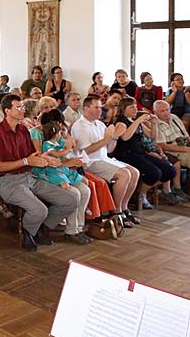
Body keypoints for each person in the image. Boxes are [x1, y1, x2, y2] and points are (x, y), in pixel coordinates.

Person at [0, 94, 78, 250]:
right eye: (18, 107)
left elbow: (32, 155)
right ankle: (28, 232)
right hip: (8, 181)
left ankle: (40, 228)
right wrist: (26, 161)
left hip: (28, 176)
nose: (23, 110)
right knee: (40, 209)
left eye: (22, 106)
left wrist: (48, 160)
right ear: (7, 111)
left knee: (70, 200)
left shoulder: (22, 130)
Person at [71, 96, 142, 225]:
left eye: (100, 107)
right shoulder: (79, 125)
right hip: (90, 162)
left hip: (104, 158)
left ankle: (124, 208)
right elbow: (85, 151)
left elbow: (109, 150)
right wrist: (106, 139)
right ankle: (116, 211)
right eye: (96, 107)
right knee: (125, 174)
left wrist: (114, 137)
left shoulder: (100, 124)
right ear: (86, 109)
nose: (100, 110)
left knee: (135, 172)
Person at [30, 119, 92, 244]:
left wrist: (70, 144)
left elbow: (69, 150)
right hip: (50, 173)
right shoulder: (45, 143)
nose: (62, 133)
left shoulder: (59, 141)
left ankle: (79, 227)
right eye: (60, 130)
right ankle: (71, 230)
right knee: (74, 193)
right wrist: (68, 150)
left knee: (85, 190)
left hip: (62, 171)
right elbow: (52, 159)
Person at [111, 97, 179, 207]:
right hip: (126, 154)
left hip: (140, 153)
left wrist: (154, 124)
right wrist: (138, 120)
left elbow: (153, 136)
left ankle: (141, 192)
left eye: (135, 106)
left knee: (170, 170)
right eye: (131, 107)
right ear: (123, 109)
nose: (135, 109)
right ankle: (140, 195)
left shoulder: (135, 122)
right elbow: (125, 137)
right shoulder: (120, 122)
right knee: (154, 173)